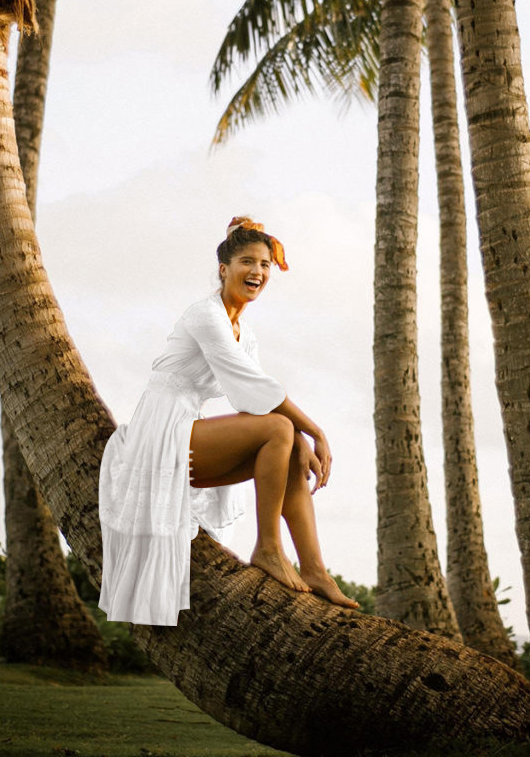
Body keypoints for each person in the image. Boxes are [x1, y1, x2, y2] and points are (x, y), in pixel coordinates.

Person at [98, 215, 357, 625]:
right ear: (224, 269)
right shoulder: (206, 315)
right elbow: (251, 389)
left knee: (286, 443)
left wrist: (303, 444)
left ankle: (314, 567)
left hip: (186, 434)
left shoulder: (244, 333)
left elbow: (261, 395)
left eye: (265, 265)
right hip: (161, 433)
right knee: (280, 430)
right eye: (247, 262)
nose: (257, 271)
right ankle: (268, 547)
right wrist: (316, 431)